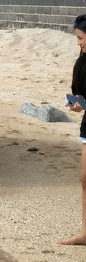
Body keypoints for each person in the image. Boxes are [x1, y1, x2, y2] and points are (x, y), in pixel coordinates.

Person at [60, 13, 86, 246]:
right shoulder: (82, 61)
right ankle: (85, 233)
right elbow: (79, 93)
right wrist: (76, 103)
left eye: (81, 38)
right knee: (85, 178)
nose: (78, 42)